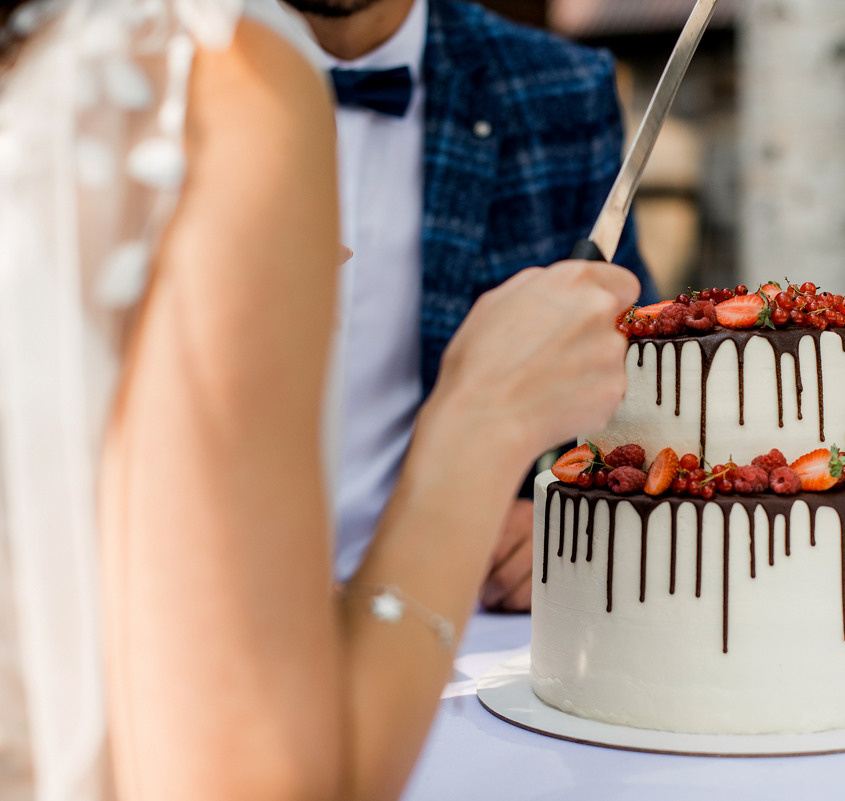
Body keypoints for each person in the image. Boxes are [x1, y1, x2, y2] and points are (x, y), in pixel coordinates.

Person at [0, 1, 638, 799]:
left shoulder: (64, 54)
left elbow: (625, 385)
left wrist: (561, 509)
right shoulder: (228, 81)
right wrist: (481, 420)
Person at [283, 0, 656, 610]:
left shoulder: (559, 86)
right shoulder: (142, 79)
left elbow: (634, 361)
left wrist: (563, 508)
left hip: (464, 608)